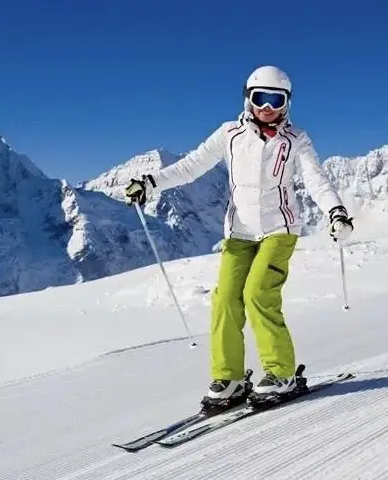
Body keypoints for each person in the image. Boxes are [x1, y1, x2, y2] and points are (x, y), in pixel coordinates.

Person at [124, 65, 354, 408]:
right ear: (248, 98)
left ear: (287, 103)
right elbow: (192, 165)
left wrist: (336, 211)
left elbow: (316, 179)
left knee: (258, 292)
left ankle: (281, 373)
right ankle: (229, 378)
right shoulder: (230, 134)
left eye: (276, 100)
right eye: (261, 98)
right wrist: (150, 183)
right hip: (239, 233)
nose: (268, 108)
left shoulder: (296, 140)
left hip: (280, 229)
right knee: (225, 299)